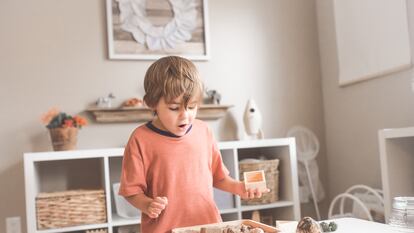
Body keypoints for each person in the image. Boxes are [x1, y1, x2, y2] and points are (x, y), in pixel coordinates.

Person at [119, 56, 268, 233]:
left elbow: (218, 177)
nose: (185, 116)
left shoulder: (204, 131)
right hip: (164, 229)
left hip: (208, 226)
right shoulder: (140, 139)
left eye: (192, 107)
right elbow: (131, 191)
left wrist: (240, 188)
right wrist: (147, 205)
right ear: (151, 103)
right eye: (174, 108)